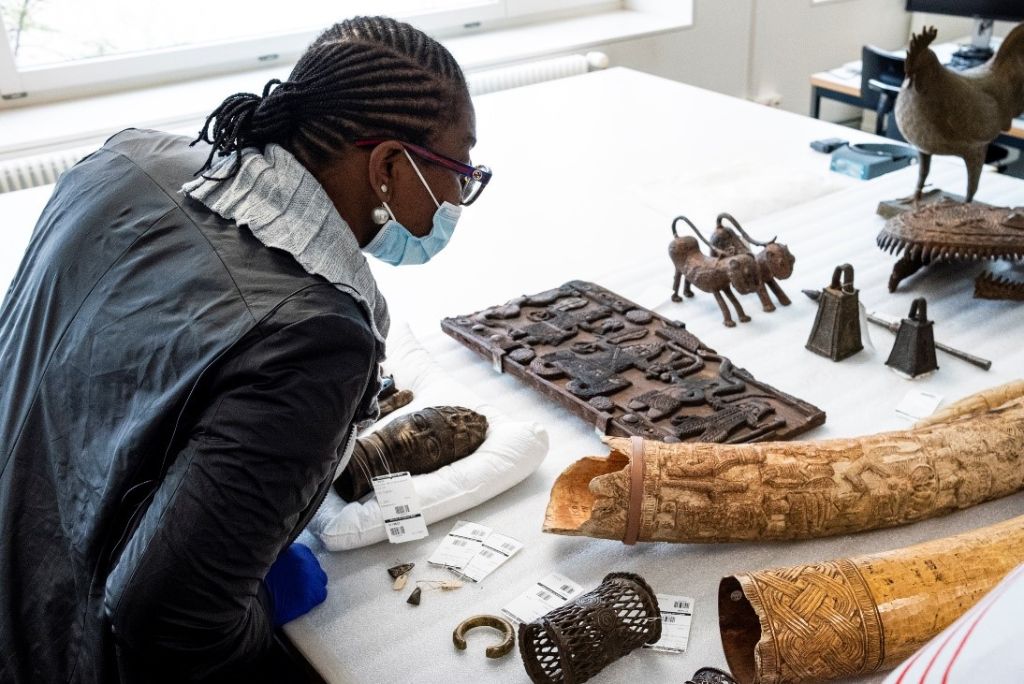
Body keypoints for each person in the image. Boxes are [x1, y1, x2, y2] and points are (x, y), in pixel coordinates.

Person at [0, 16, 489, 683]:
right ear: (387, 167)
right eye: (460, 169)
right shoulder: (320, 338)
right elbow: (171, 628)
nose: (460, 195)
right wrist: (258, 598)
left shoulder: (126, 158)